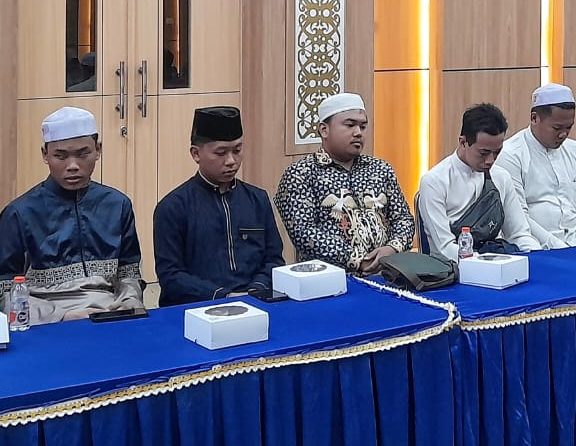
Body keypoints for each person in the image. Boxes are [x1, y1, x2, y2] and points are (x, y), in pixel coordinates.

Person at [0, 107, 144, 324]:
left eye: (83, 154)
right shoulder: (19, 213)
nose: (72, 166)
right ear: (45, 154)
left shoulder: (118, 205)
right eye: (60, 156)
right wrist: (60, 316)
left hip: (109, 313)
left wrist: (129, 303)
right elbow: (3, 291)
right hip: (45, 320)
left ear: (98, 150)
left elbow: (128, 273)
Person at [153, 106, 287, 306]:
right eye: (221, 153)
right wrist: (224, 297)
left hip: (256, 301)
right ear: (196, 154)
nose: (231, 161)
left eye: (237, 150)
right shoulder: (172, 207)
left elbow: (274, 260)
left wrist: (254, 291)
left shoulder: (257, 199)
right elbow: (171, 277)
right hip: (198, 307)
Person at [276, 93, 414, 273]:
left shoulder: (381, 169)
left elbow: (403, 218)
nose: (358, 132)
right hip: (331, 279)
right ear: (324, 130)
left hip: (388, 273)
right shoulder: (301, 174)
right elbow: (303, 233)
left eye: (363, 126)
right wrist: (357, 260)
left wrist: (392, 249)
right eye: (350, 125)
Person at [418, 103, 540, 260]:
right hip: (453, 266)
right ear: (463, 142)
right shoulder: (434, 182)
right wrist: (483, 264)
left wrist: (539, 257)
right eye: (483, 153)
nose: (490, 160)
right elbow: (444, 248)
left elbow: (519, 235)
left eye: (497, 152)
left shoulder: (501, 177)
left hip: (495, 260)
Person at [495, 83, 576, 249]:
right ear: (534, 118)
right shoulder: (510, 155)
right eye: (557, 128)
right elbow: (519, 218)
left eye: (569, 127)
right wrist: (561, 249)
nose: (563, 134)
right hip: (536, 248)